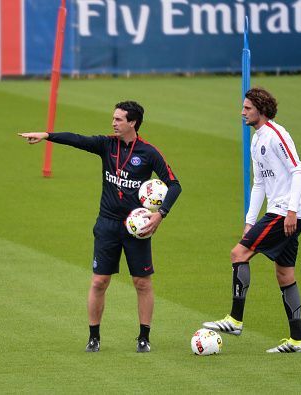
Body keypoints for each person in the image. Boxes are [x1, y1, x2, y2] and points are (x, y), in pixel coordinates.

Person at [18, 101, 181, 353]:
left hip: (136, 227)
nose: (113, 123)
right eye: (113, 118)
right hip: (106, 225)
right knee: (99, 282)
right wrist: (47, 136)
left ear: (132, 123)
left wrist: (160, 214)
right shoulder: (106, 145)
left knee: (142, 283)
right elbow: (77, 140)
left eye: (118, 119)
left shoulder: (149, 153)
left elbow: (174, 185)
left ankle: (144, 337)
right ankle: (94, 337)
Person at [203, 87, 301, 353]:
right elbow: (259, 183)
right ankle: (297, 340)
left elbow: (298, 171)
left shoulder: (276, 135)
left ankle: (235, 319)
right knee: (285, 274)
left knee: (238, 253)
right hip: (280, 212)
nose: (242, 112)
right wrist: (249, 221)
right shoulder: (256, 140)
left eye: (247, 108)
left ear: (261, 109)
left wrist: (292, 210)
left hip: (284, 213)